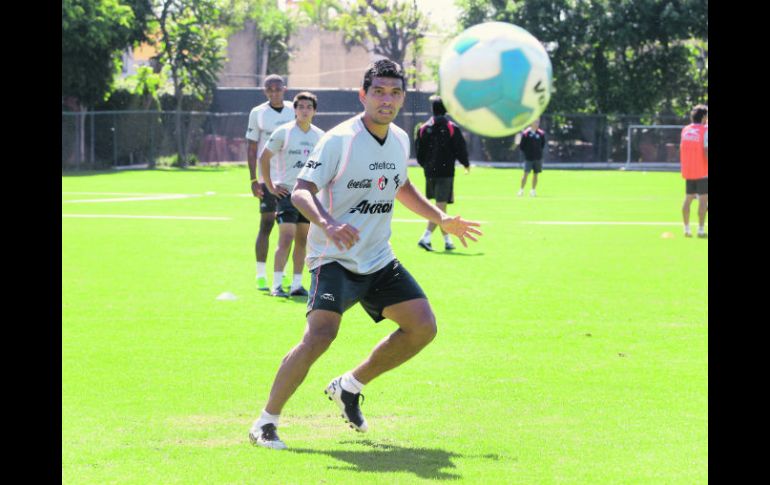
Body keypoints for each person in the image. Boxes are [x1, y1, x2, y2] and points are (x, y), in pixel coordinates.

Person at [248, 59, 483, 450]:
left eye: (394, 93)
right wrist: (327, 223)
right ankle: (265, 421)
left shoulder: (400, 139)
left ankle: (349, 386)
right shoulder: (339, 139)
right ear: (363, 95)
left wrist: (440, 217)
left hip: (377, 258)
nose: (386, 100)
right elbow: (303, 190)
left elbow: (401, 185)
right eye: (378, 92)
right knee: (320, 336)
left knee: (423, 326)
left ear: (403, 98)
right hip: (333, 258)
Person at [258, 92, 325, 297]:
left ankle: (297, 284)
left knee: (303, 239)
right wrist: (270, 186)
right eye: (301, 107)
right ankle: (277, 284)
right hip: (287, 193)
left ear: (314, 111)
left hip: (308, 195)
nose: (304, 110)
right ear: (294, 110)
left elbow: (326, 165)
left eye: (308, 107)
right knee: (286, 237)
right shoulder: (283, 132)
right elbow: (264, 158)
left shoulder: (320, 136)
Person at [246, 75, 296, 290]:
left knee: (289, 228)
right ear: (264, 91)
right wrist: (253, 179)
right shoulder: (258, 113)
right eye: (269, 89)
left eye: (277, 88)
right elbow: (251, 147)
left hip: (289, 179)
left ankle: (282, 272)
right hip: (267, 178)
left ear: (284, 89)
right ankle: (260, 274)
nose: (274, 92)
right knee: (266, 223)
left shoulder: (294, 109)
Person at [415, 95, 470, 252]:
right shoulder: (452, 127)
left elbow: (419, 152)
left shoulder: (424, 128)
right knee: (440, 206)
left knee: (441, 205)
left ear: (432, 109)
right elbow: (460, 148)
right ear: (446, 110)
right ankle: (425, 237)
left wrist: (425, 165)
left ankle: (447, 240)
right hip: (446, 173)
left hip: (429, 173)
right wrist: (465, 163)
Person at [679, 104, 708, 238]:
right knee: (703, 199)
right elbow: (706, 150)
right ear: (703, 117)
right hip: (702, 170)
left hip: (689, 170)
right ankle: (701, 230)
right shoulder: (705, 130)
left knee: (688, 198)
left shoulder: (685, 130)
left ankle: (686, 229)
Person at [516, 119, 546, 197]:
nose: (537, 124)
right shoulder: (526, 133)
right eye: (535, 122)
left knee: (536, 174)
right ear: (531, 123)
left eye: (538, 122)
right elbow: (522, 146)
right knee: (526, 174)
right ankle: (521, 190)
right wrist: (528, 153)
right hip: (528, 158)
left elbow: (542, 145)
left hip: (538, 158)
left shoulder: (541, 133)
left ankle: (533, 190)